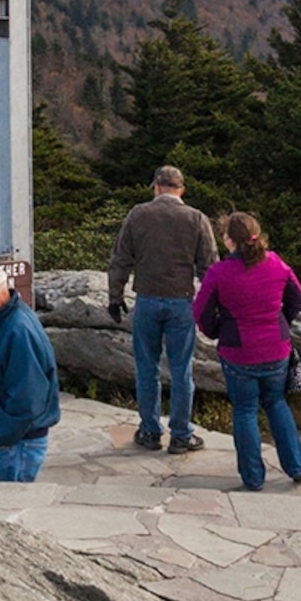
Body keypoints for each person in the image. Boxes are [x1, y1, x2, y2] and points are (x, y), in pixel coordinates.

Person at [193, 212, 301, 492]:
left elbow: (201, 311)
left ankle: (253, 477)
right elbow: (298, 297)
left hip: (239, 351)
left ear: (230, 240)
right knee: (276, 403)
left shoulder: (219, 272)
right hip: (276, 347)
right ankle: (297, 466)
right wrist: (282, 321)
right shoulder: (276, 263)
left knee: (245, 411)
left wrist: (217, 331)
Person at [107, 165, 217, 454]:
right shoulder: (196, 218)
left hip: (147, 299)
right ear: (181, 189)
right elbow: (210, 268)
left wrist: (115, 297)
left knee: (147, 369)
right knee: (182, 370)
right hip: (181, 301)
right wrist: (212, 306)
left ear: (156, 186)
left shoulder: (138, 214)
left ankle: (150, 430)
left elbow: (120, 259)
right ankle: (181, 435)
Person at [0, 258, 59, 482]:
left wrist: (0, 436)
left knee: (4, 506)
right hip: (13, 438)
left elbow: (27, 398)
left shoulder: (17, 331)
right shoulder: (3, 324)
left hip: (16, 442)